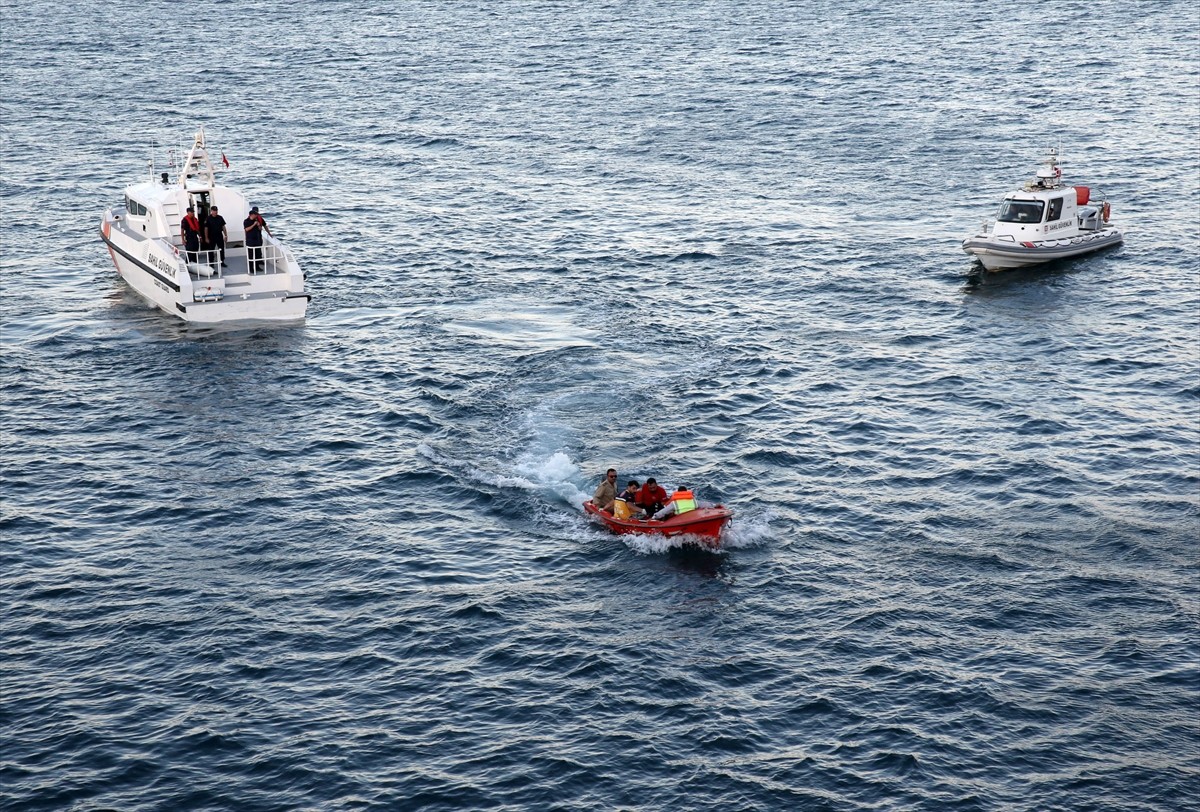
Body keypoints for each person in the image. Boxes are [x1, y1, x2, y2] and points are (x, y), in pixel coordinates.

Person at [243, 205, 271, 273]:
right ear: (251, 215)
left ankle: (257, 266)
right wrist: (254, 225)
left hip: (257, 239)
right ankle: (251, 268)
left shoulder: (258, 219)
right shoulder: (246, 221)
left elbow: (262, 228)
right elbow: (247, 229)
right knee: (251, 255)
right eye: (255, 214)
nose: (256, 216)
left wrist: (258, 226)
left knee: (257, 254)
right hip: (250, 241)